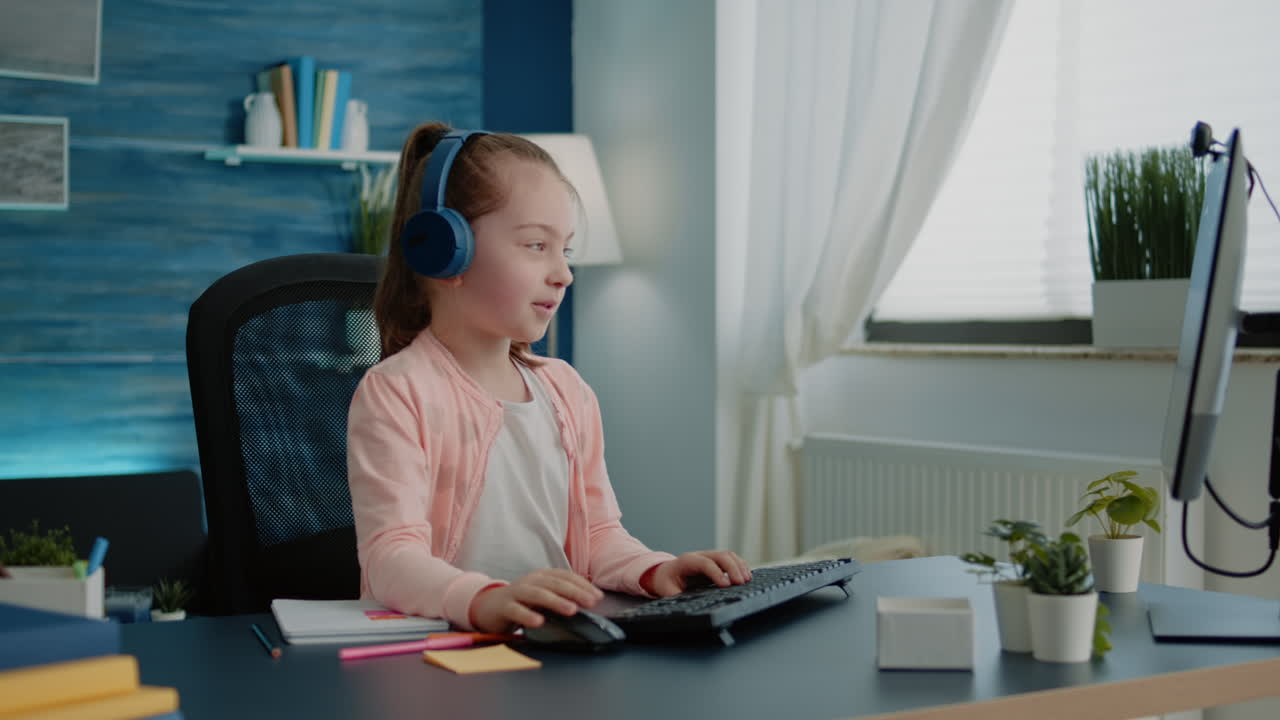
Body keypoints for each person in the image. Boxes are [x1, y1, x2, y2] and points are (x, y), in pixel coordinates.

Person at [347, 122, 751, 634]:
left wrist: (654, 570)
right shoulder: (398, 392)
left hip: (555, 641)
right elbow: (391, 559)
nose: (563, 273)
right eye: (537, 245)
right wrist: (485, 599)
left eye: (567, 250)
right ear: (445, 249)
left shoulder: (566, 391)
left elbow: (599, 535)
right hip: (444, 648)